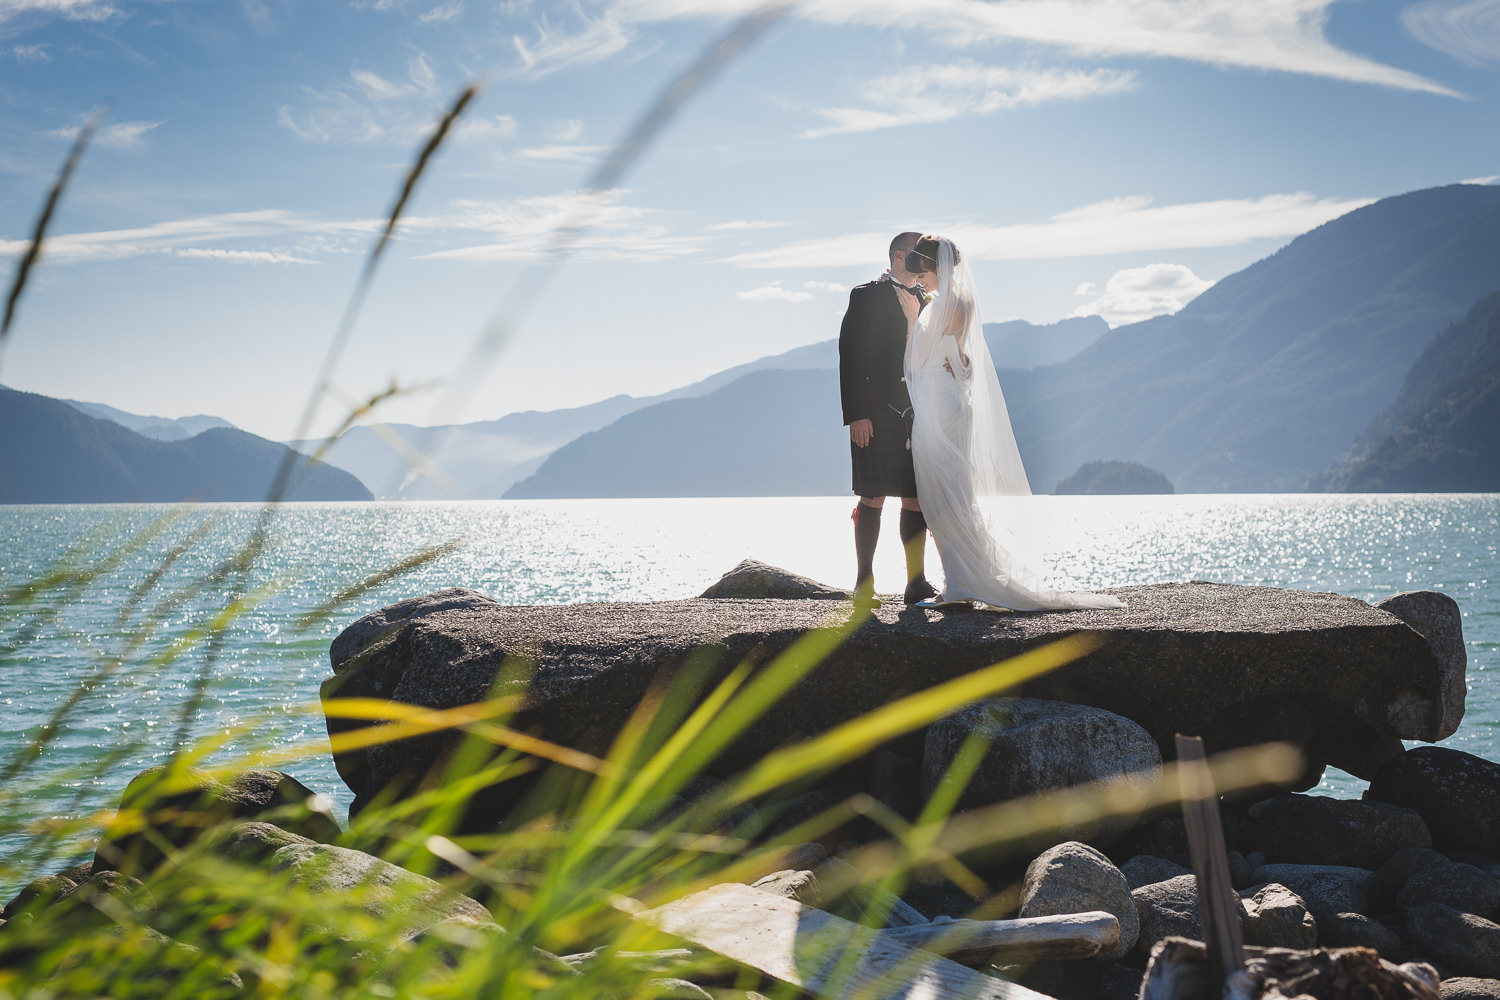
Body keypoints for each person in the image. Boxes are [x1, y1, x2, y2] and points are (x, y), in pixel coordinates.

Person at [894, 235, 1123, 611]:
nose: (920, 281)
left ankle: (959, 584)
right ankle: (964, 579)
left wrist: (911, 320)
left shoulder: (935, 308)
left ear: (935, 269)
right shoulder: (964, 301)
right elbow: (964, 361)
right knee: (959, 496)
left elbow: (916, 363)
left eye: (923, 274)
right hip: (956, 404)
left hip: (937, 409)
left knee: (942, 500)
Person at [838, 232, 939, 606]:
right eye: (918, 254)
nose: (925, 261)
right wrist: (857, 415)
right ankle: (864, 584)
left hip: (919, 411)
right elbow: (850, 357)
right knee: (873, 495)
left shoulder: (930, 300)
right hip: (875, 414)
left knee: (915, 497)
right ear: (899, 256)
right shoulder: (866, 295)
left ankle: (916, 583)